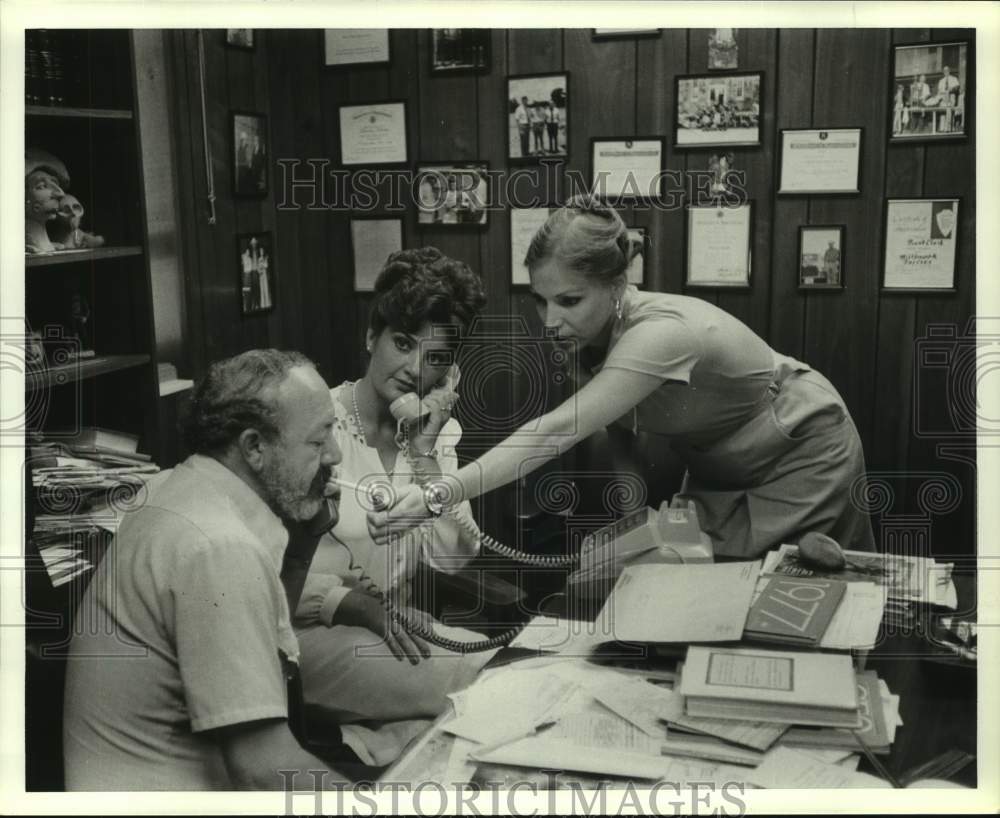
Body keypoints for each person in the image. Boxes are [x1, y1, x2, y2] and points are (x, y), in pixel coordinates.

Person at [371, 196, 876, 561]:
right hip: (721, 465)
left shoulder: (659, 335)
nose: (549, 321)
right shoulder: (586, 334)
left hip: (799, 447)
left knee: (807, 587)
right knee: (684, 581)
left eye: (569, 301)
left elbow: (550, 433)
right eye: (541, 300)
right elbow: (621, 432)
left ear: (618, 284)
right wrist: (631, 526)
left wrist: (440, 493)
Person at [62, 350, 358, 790]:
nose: (334, 455)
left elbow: (265, 649)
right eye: (318, 442)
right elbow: (263, 767)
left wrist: (302, 545)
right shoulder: (218, 547)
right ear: (254, 447)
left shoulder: (174, 488)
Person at [293, 247, 495, 765]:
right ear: (370, 337)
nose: (412, 369)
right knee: (479, 684)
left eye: (435, 358)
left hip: (390, 626)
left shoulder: (431, 437)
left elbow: (454, 557)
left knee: (501, 665)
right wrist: (353, 604)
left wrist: (426, 457)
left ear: (449, 373)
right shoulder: (316, 427)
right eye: (402, 343)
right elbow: (257, 574)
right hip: (303, 634)